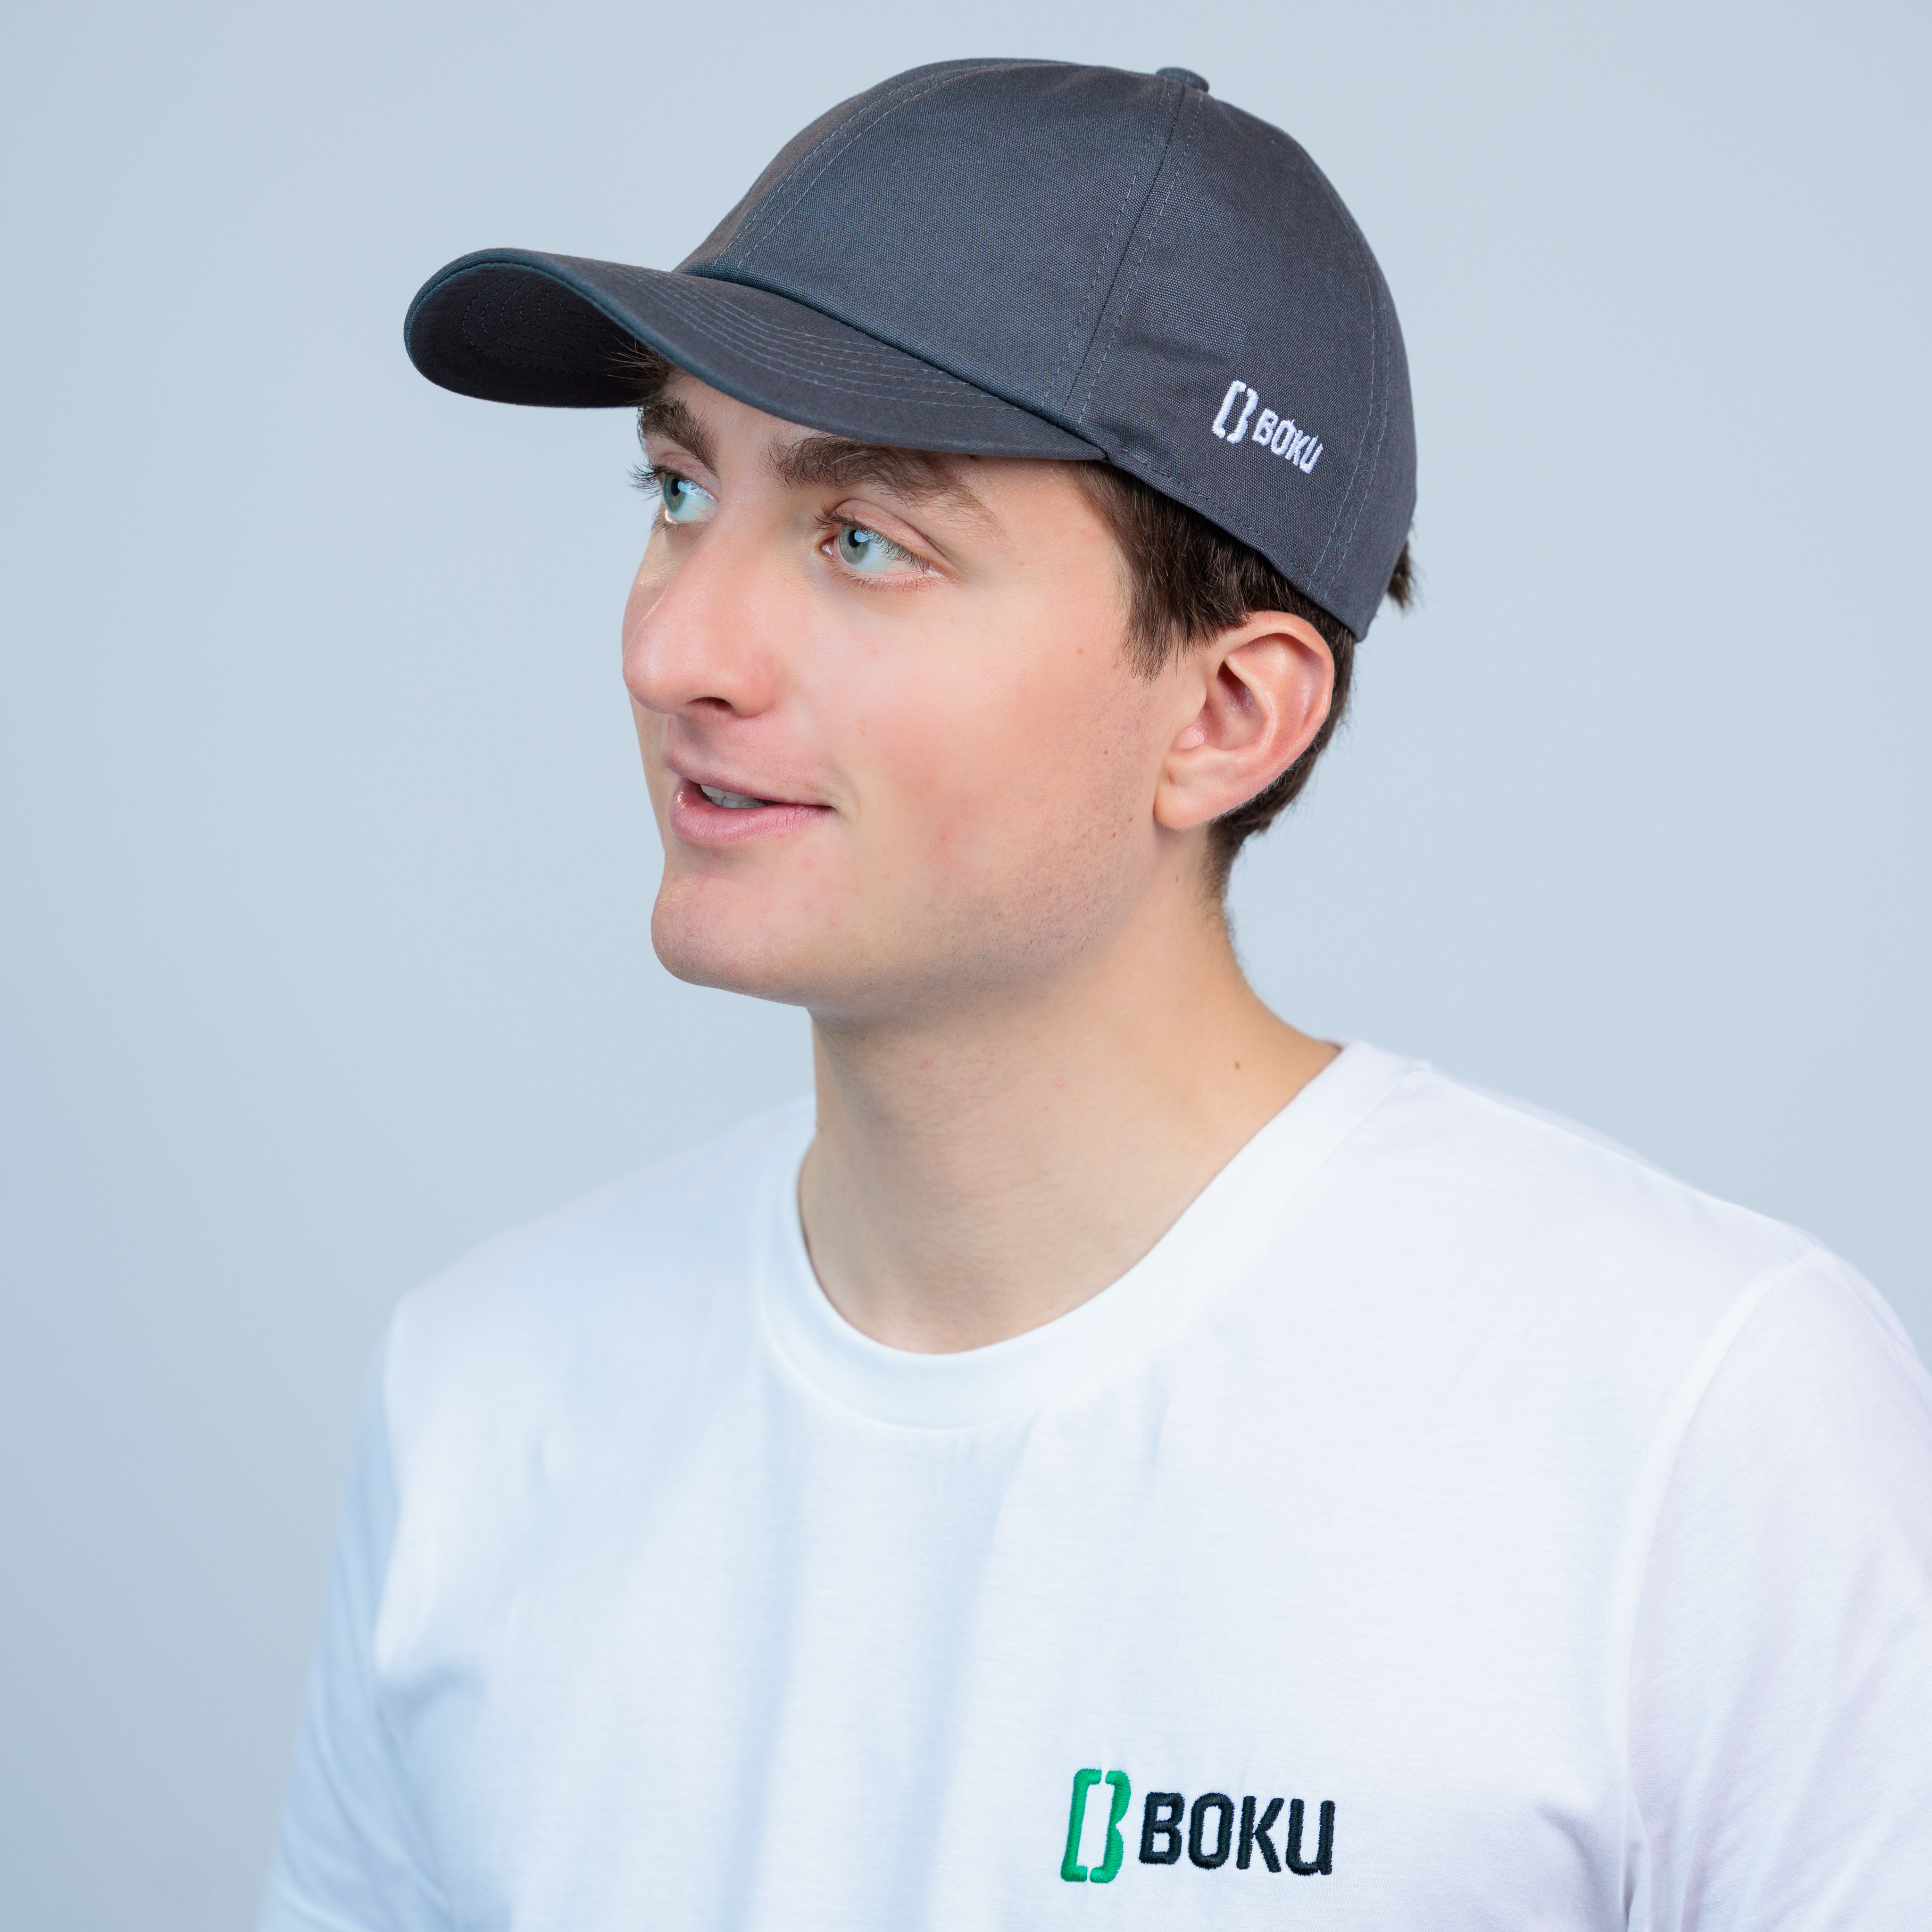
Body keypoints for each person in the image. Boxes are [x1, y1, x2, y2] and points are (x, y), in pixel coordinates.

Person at [262, 58, 1932, 1931]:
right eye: (678, 485)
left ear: (1223, 713)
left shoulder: (1697, 1426)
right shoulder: (483, 1402)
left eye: (865, 539)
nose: (674, 648)